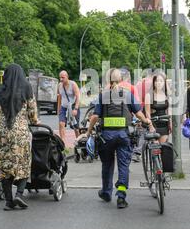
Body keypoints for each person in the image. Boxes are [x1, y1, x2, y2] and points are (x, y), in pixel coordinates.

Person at [84, 68, 154, 209]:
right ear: (121, 80)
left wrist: (88, 132)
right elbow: (139, 113)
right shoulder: (127, 95)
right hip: (124, 136)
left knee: (107, 165)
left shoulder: (103, 96)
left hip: (106, 137)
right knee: (123, 165)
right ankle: (121, 196)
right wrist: (147, 121)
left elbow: (95, 116)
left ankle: (106, 192)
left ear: (107, 81)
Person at [0, 63, 40, 211]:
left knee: (5, 165)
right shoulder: (26, 88)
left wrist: (1, 121)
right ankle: (19, 193)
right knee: (23, 162)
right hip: (20, 132)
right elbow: (32, 113)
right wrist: (35, 122)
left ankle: (8, 201)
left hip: (1, 133)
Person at [145, 72, 171, 143]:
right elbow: (147, 113)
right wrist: (150, 126)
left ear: (164, 83)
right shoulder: (149, 95)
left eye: (161, 81)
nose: (158, 83)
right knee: (155, 148)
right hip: (154, 124)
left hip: (164, 125)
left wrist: (170, 124)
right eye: (156, 81)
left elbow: (169, 111)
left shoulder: (167, 95)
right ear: (153, 82)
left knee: (164, 148)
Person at [57, 70, 80, 140]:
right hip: (63, 107)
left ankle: (78, 141)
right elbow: (59, 98)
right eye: (60, 78)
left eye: (63, 77)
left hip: (72, 107)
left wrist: (76, 109)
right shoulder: (59, 85)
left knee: (75, 128)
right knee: (61, 124)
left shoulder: (73, 84)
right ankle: (62, 143)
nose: (61, 79)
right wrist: (58, 109)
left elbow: (78, 96)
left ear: (67, 77)